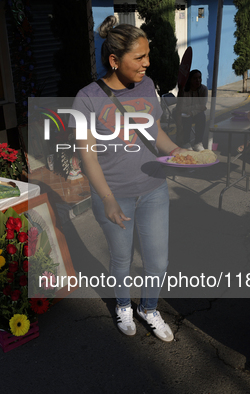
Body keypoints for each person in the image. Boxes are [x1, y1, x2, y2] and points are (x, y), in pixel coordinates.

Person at [71, 16, 188, 342]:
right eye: (139, 57)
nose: (147, 63)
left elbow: (157, 133)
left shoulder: (148, 86)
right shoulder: (87, 98)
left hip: (153, 188)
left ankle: (148, 308)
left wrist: (181, 154)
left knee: (158, 261)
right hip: (114, 193)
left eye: (147, 55)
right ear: (114, 60)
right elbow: (88, 155)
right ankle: (124, 304)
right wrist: (107, 197)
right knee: (121, 258)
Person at [176, 69, 208, 151]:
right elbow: (182, 108)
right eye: (195, 78)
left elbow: (203, 107)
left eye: (199, 78)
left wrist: (192, 112)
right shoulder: (184, 91)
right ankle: (186, 142)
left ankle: (198, 143)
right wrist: (196, 107)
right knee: (187, 118)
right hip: (181, 114)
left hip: (194, 114)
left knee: (202, 116)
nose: (198, 80)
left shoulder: (204, 89)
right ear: (190, 80)